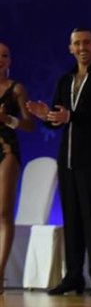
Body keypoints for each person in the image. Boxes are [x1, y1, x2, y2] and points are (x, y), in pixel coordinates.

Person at [27, 28, 91, 295]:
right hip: (67, 159)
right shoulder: (66, 79)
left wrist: (71, 117)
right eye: (77, 43)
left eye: (86, 43)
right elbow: (59, 117)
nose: (82, 48)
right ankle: (74, 275)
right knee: (72, 218)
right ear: (70, 48)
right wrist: (47, 116)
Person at [0, 43, 35, 292]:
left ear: (10, 61)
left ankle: (0, 272)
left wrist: (7, 119)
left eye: (4, 55)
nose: (0, 59)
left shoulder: (16, 89)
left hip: (6, 151)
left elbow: (29, 125)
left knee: (3, 213)